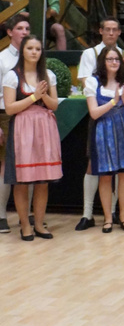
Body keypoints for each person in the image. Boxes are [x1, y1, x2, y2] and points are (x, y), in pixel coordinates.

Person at [76, 18, 124, 231]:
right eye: (107, 29)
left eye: (115, 29)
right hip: (102, 123)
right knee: (99, 168)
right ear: (100, 31)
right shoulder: (90, 56)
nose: (111, 33)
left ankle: (118, 214)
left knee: (123, 170)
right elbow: (86, 85)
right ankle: (90, 214)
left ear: (120, 32)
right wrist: (113, 100)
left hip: (122, 124)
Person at [2, 34, 61, 239]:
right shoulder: (12, 76)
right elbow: (10, 108)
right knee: (22, 181)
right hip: (22, 128)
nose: (34, 52)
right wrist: (34, 96)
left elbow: (54, 105)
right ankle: (25, 225)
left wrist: (43, 96)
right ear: (22, 51)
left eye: (37, 49)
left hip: (44, 128)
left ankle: (39, 224)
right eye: (30, 48)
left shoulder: (48, 75)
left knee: (42, 180)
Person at [85, 46, 124, 233]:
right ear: (103, 62)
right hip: (103, 130)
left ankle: (123, 217)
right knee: (105, 176)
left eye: (116, 59)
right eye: (110, 59)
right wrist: (113, 101)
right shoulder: (93, 82)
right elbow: (94, 113)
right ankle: (107, 218)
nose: (114, 62)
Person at [0, 14, 31, 233]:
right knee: (5, 165)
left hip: (30, 114)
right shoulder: (2, 59)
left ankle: (26, 216)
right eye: (20, 28)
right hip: (6, 114)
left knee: (29, 166)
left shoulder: (34, 57)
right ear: (10, 32)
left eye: (27, 29)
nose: (25, 32)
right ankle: (1, 215)